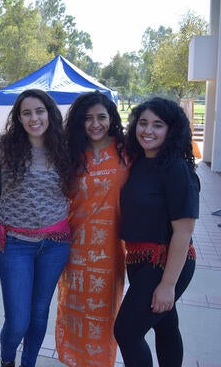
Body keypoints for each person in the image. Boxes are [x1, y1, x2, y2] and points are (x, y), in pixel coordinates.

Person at [114, 98, 199, 367]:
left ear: (171, 130)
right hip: (138, 259)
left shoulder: (176, 168)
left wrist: (168, 285)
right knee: (165, 325)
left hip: (166, 262)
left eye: (157, 125)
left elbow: (184, 232)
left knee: (126, 332)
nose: (147, 131)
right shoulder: (137, 161)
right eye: (143, 123)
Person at [0, 89, 73, 367]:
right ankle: (7, 361)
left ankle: (28, 363)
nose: (34, 118)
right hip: (15, 243)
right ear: (18, 117)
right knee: (17, 320)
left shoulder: (66, 147)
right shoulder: (4, 148)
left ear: (50, 113)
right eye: (26, 112)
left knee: (40, 312)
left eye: (39, 111)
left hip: (56, 244)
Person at [55, 91, 129, 367]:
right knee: (73, 310)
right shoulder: (71, 152)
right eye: (88, 118)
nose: (95, 124)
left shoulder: (126, 151)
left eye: (101, 117)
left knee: (104, 312)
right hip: (75, 244)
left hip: (111, 248)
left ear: (111, 118)